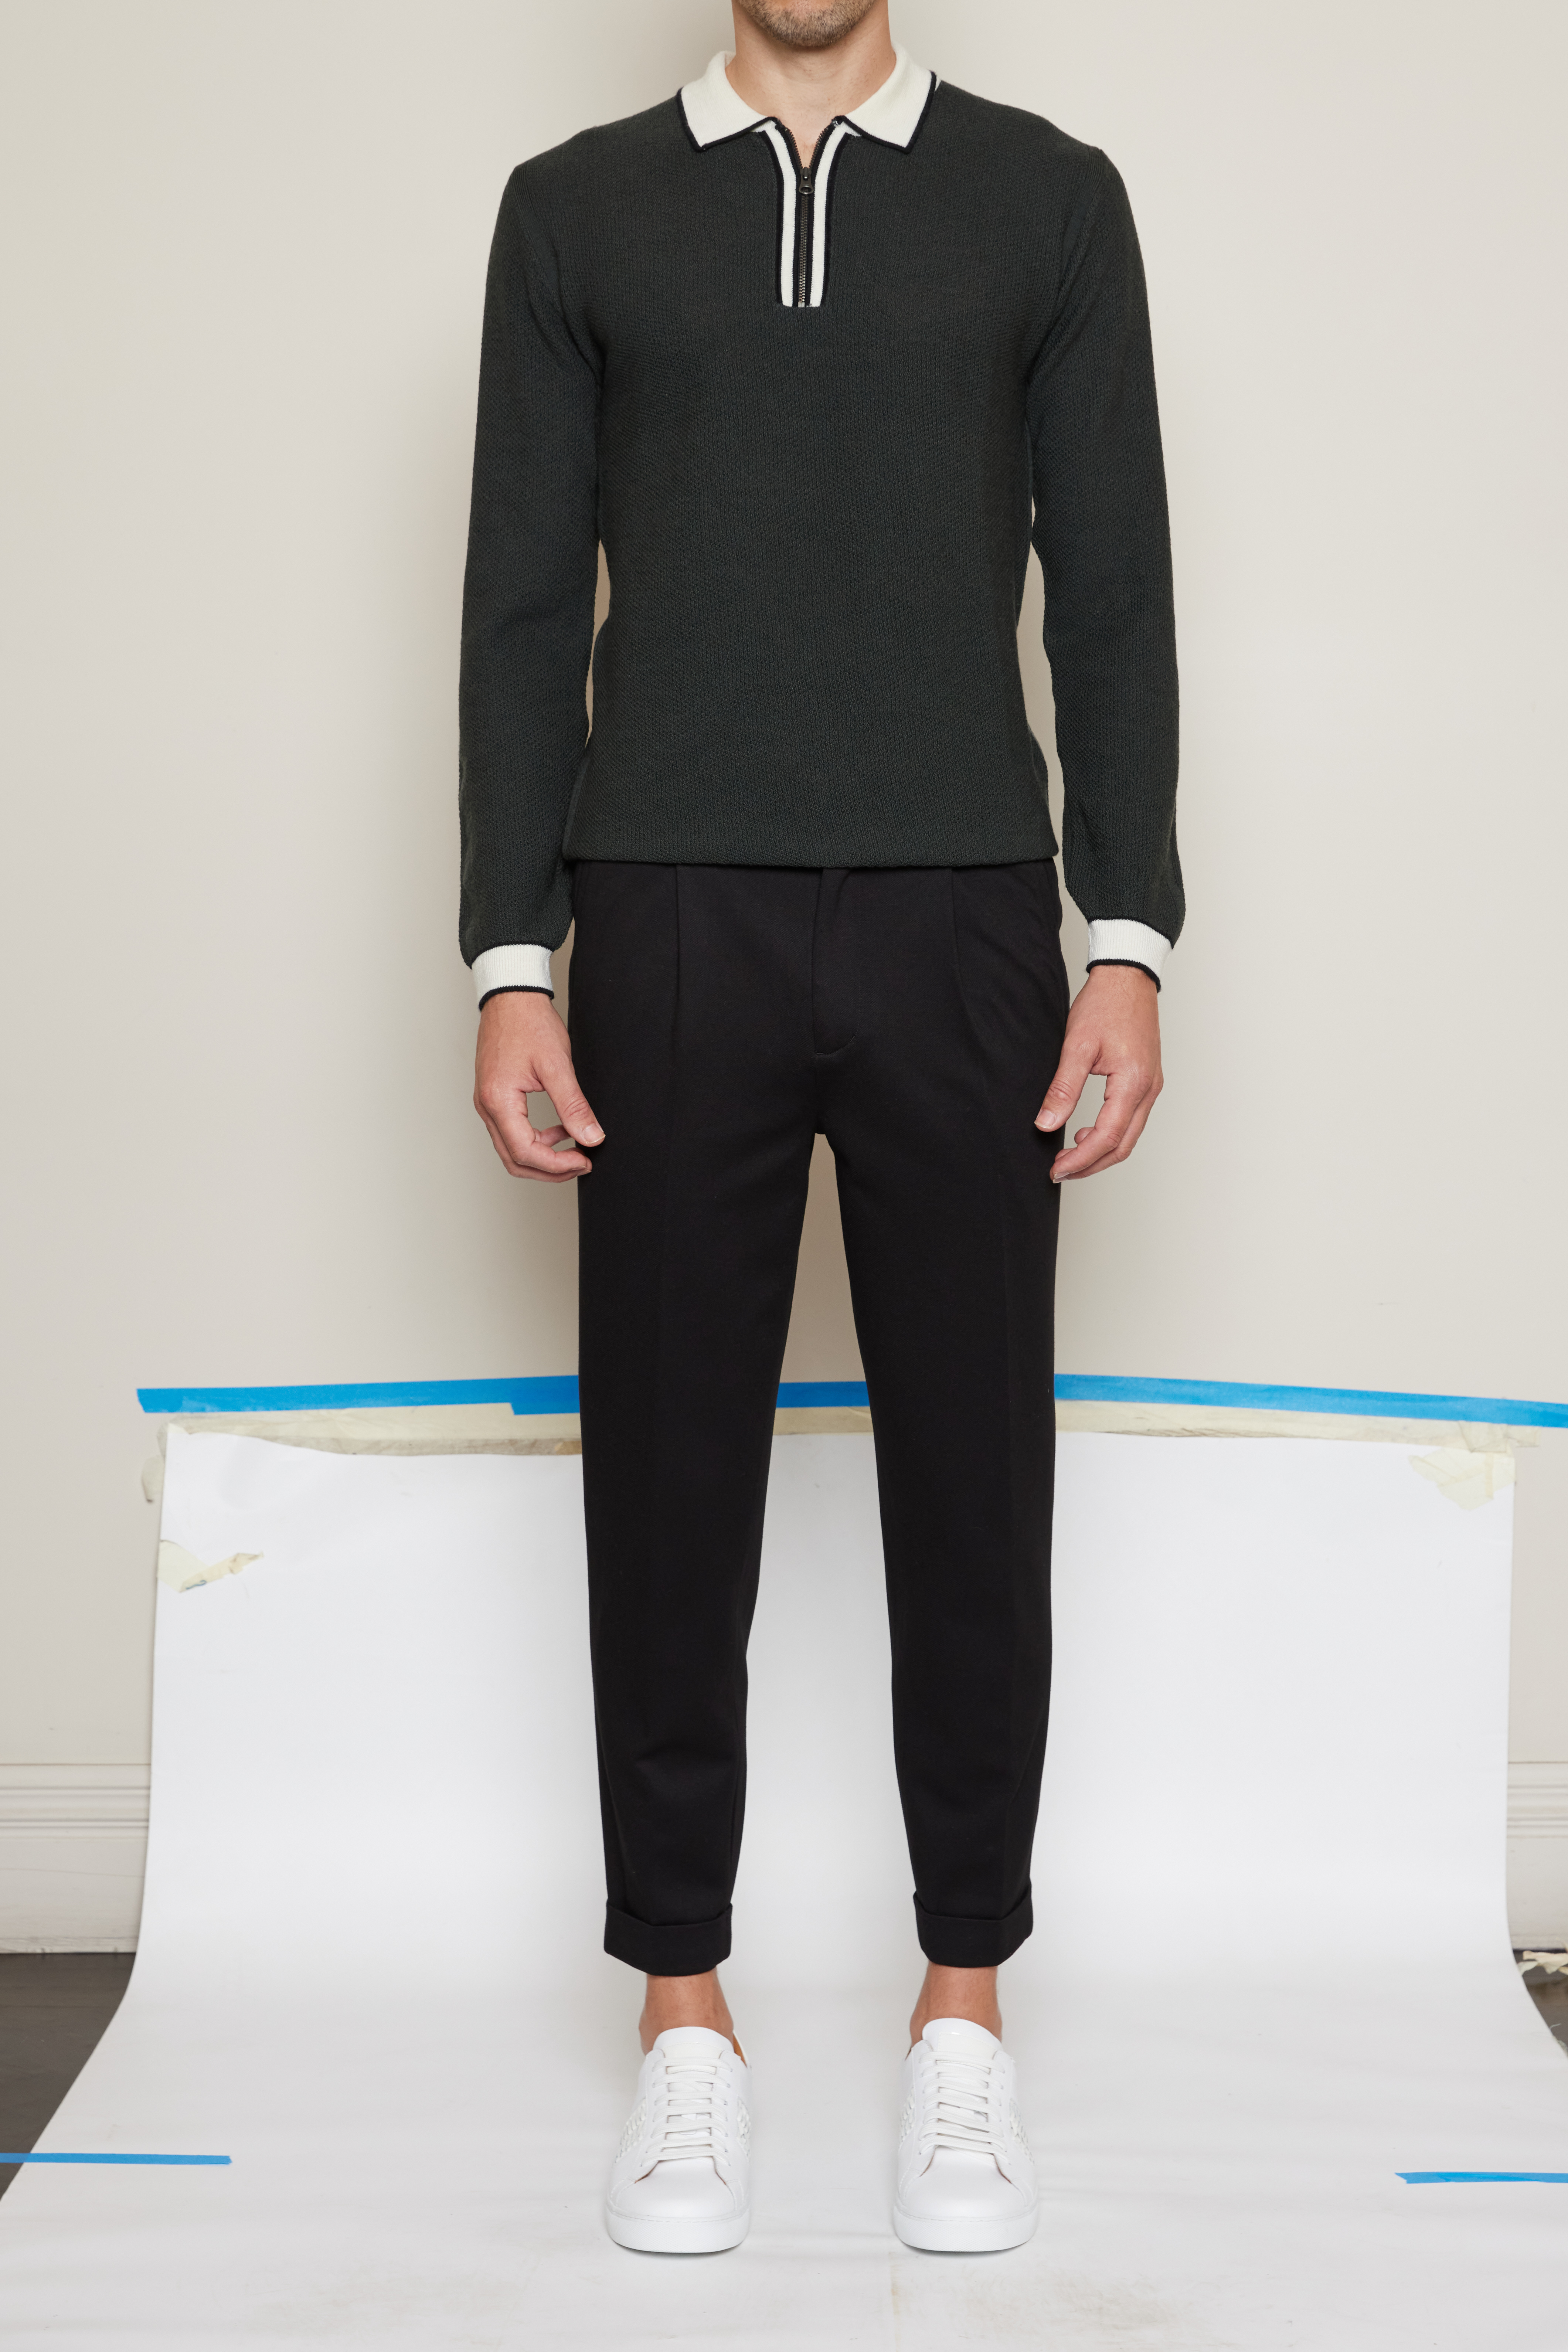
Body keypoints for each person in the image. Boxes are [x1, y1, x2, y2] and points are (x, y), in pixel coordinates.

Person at [459, 0, 1180, 2257]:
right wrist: (508, 956)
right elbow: (517, 604)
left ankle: (962, 2009)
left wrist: (1126, 933)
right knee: (669, 1473)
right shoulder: (574, 212)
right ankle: (683, 2016)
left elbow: (1116, 584)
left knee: (975, 1465)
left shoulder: (1046, 199)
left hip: (967, 911)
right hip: (666, 907)